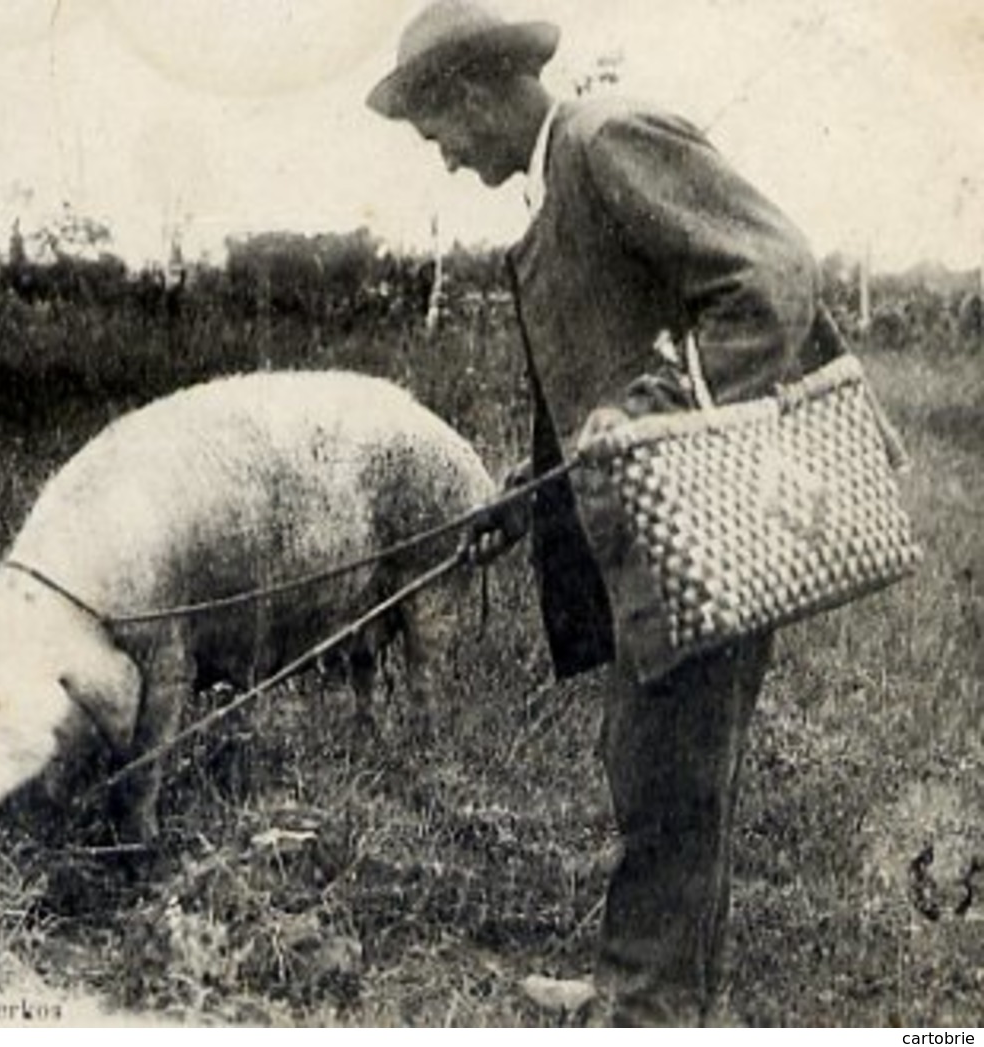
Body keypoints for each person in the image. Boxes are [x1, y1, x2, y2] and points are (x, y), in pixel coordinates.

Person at [367, 0, 843, 1026]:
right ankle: (648, 985)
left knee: (670, 777)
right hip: (660, 536)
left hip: (709, 524)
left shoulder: (603, 139)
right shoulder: (564, 177)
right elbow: (608, 370)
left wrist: (664, 407)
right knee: (654, 766)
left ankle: (644, 1010)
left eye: (436, 130)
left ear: (475, 92)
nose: (443, 158)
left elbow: (770, 275)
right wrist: (520, 493)